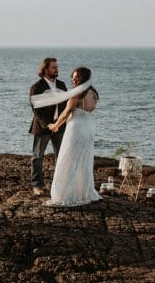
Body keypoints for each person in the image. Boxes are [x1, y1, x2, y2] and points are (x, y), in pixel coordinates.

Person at [40, 66, 102, 207]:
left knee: (68, 159)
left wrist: (55, 126)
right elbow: (90, 110)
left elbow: (66, 113)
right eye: (73, 77)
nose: (74, 80)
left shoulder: (76, 93)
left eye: (77, 77)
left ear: (83, 78)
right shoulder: (93, 93)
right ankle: (83, 192)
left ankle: (65, 194)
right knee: (84, 160)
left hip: (76, 128)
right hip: (88, 127)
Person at [29, 57, 68, 197]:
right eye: (53, 67)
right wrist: (48, 124)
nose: (57, 69)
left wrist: (61, 123)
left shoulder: (62, 85)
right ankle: (37, 185)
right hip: (43, 127)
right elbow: (36, 111)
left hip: (60, 126)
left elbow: (67, 106)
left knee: (61, 156)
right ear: (45, 69)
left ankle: (58, 185)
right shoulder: (36, 87)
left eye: (57, 67)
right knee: (37, 157)